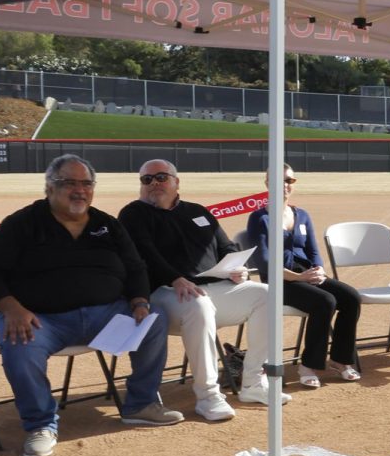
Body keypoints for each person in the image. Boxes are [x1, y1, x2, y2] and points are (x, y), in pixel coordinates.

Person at [0, 154, 182, 456]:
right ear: (50, 187)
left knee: (155, 321)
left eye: (86, 183)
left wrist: (139, 301)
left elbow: (136, 267)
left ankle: (141, 403)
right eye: (69, 183)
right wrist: (11, 308)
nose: (79, 190)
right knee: (18, 342)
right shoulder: (22, 224)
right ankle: (41, 424)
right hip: (42, 319)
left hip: (105, 314)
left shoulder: (106, 224)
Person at [118, 159, 290, 421]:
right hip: (166, 293)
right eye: (147, 180)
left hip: (214, 288)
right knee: (198, 304)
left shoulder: (198, 211)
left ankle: (253, 382)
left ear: (177, 182)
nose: (154, 183)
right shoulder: (133, 214)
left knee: (267, 294)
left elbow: (227, 247)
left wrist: (237, 267)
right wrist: (174, 278)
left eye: (161, 177)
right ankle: (208, 396)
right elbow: (145, 254)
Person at [245, 163, 362, 387]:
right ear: (268, 183)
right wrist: (299, 278)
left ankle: (340, 359)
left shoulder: (302, 215)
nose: (286, 185)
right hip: (280, 281)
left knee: (351, 298)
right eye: (280, 180)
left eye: (290, 180)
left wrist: (319, 270)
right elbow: (264, 262)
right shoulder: (260, 218)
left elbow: (313, 251)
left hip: (306, 275)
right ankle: (308, 365)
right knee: (325, 301)